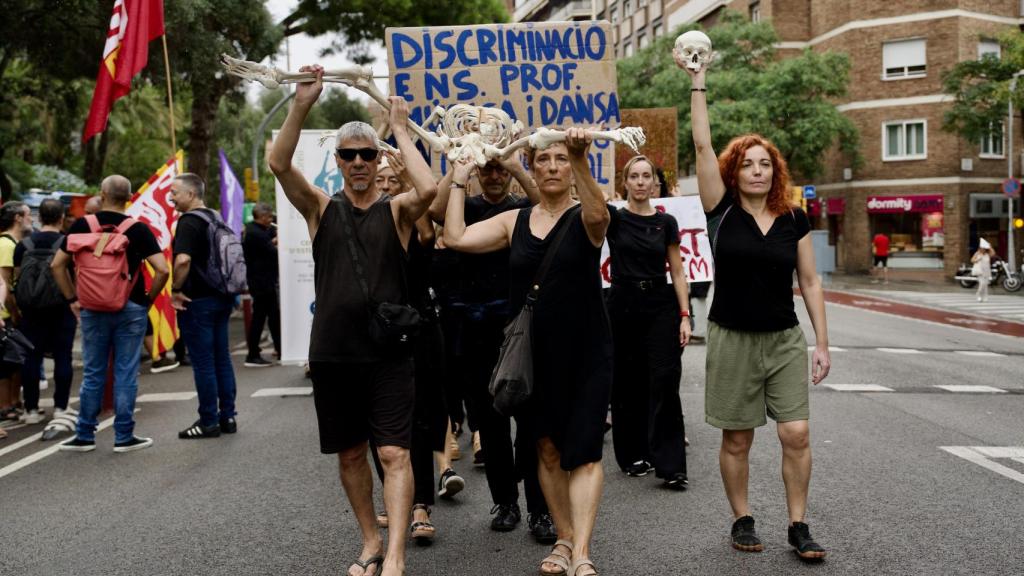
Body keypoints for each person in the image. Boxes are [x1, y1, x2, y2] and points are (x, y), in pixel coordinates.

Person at [268, 64, 437, 576]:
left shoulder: (397, 211)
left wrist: (399, 131)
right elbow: (278, 163)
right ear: (338, 161)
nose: (359, 162)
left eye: (367, 154)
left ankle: (396, 555)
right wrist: (302, 103)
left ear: (378, 157)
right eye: (349, 155)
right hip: (334, 353)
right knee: (349, 455)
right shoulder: (321, 208)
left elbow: (428, 188)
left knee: (394, 454)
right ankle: (370, 539)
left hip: (389, 355)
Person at [443, 129, 612, 576]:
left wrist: (580, 157)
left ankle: (582, 552)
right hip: (533, 357)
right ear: (532, 168)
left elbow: (598, 216)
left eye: (561, 160)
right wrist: (459, 176)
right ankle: (564, 538)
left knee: (586, 452)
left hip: (587, 351)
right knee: (547, 449)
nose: (553, 167)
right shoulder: (514, 221)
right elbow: (455, 236)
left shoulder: (585, 215)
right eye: (544, 160)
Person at [683, 55, 831, 560]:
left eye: (765, 163)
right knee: (738, 440)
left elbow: (809, 282)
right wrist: (698, 83)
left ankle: (798, 525)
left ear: (776, 170)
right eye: (747, 163)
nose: (757, 170)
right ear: (734, 170)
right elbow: (702, 145)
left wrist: (822, 343)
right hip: (732, 337)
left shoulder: (793, 218)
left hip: (784, 339)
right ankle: (742, 519)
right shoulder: (719, 210)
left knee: (796, 432)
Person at [430, 154, 556, 542]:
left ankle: (540, 509)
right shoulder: (464, 205)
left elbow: (547, 204)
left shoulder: (524, 209)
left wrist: (516, 164)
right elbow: (435, 211)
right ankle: (505, 503)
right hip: (474, 330)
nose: (495, 176)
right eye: (489, 170)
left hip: (519, 328)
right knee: (491, 422)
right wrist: (460, 164)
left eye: (501, 169)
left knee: (531, 424)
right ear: (478, 175)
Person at [54, 175, 169, 453]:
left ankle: (84, 435)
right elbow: (162, 270)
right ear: (129, 198)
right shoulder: (137, 229)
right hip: (131, 307)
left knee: (93, 372)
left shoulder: (82, 225)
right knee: (125, 372)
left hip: (92, 307)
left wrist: (72, 299)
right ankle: (124, 437)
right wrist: (147, 300)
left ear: (102, 194)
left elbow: (56, 265)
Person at [606, 156, 692, 491]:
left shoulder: (666, 222)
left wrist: (684, 315)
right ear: (625, 182)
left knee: (665, 379)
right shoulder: (614, 218)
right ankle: (633, 455)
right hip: (623, 303)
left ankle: (671, 465)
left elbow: (678, 272)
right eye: (635, 176)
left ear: (655, 183)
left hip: (660, 304)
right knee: (627, 381)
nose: (641, 182)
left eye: (647, 176)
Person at [169, 173, 240, 439]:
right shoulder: (215, 217)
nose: (171, 198)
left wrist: (176, 290)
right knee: (222, 359)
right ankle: (228, 417)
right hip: (222, 297)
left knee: (204, 363)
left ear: (191, 194)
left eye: (174, 193)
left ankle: (208, 421)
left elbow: (183, 260)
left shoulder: (188, 222)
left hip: (198, 301)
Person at [13, 199, 76, 426]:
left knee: (31, 358)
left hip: (31, 310)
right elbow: (74, 274)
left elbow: (17, 278)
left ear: (39, 218)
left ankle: (31, 409)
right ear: (62, 218)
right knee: (63, 356)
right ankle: (61, 407)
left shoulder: (24, 245)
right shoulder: (67, 242)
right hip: (62, 307)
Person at [0, 202, 32, 423]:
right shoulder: (5, 244)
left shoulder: (14, 243)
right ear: (18, 218)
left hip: (10, 313)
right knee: (5, 363)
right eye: (28, 214)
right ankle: (5, 406)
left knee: (15, 361)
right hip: (5, 315)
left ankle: (13, 401)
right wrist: (14, 312)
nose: (31, 219)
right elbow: (4, 283)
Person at [242, 202, 281, 367]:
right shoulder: (254, 233)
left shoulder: (259, 229)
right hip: (261, 283)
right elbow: (271, 250)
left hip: (265, 281)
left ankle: (280, 349)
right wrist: (277, 240)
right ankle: (252, 354)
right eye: (269, 217)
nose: (271, 220)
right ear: (262, 216)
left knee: (273, 316)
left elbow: (270, 236)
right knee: (260, 318)